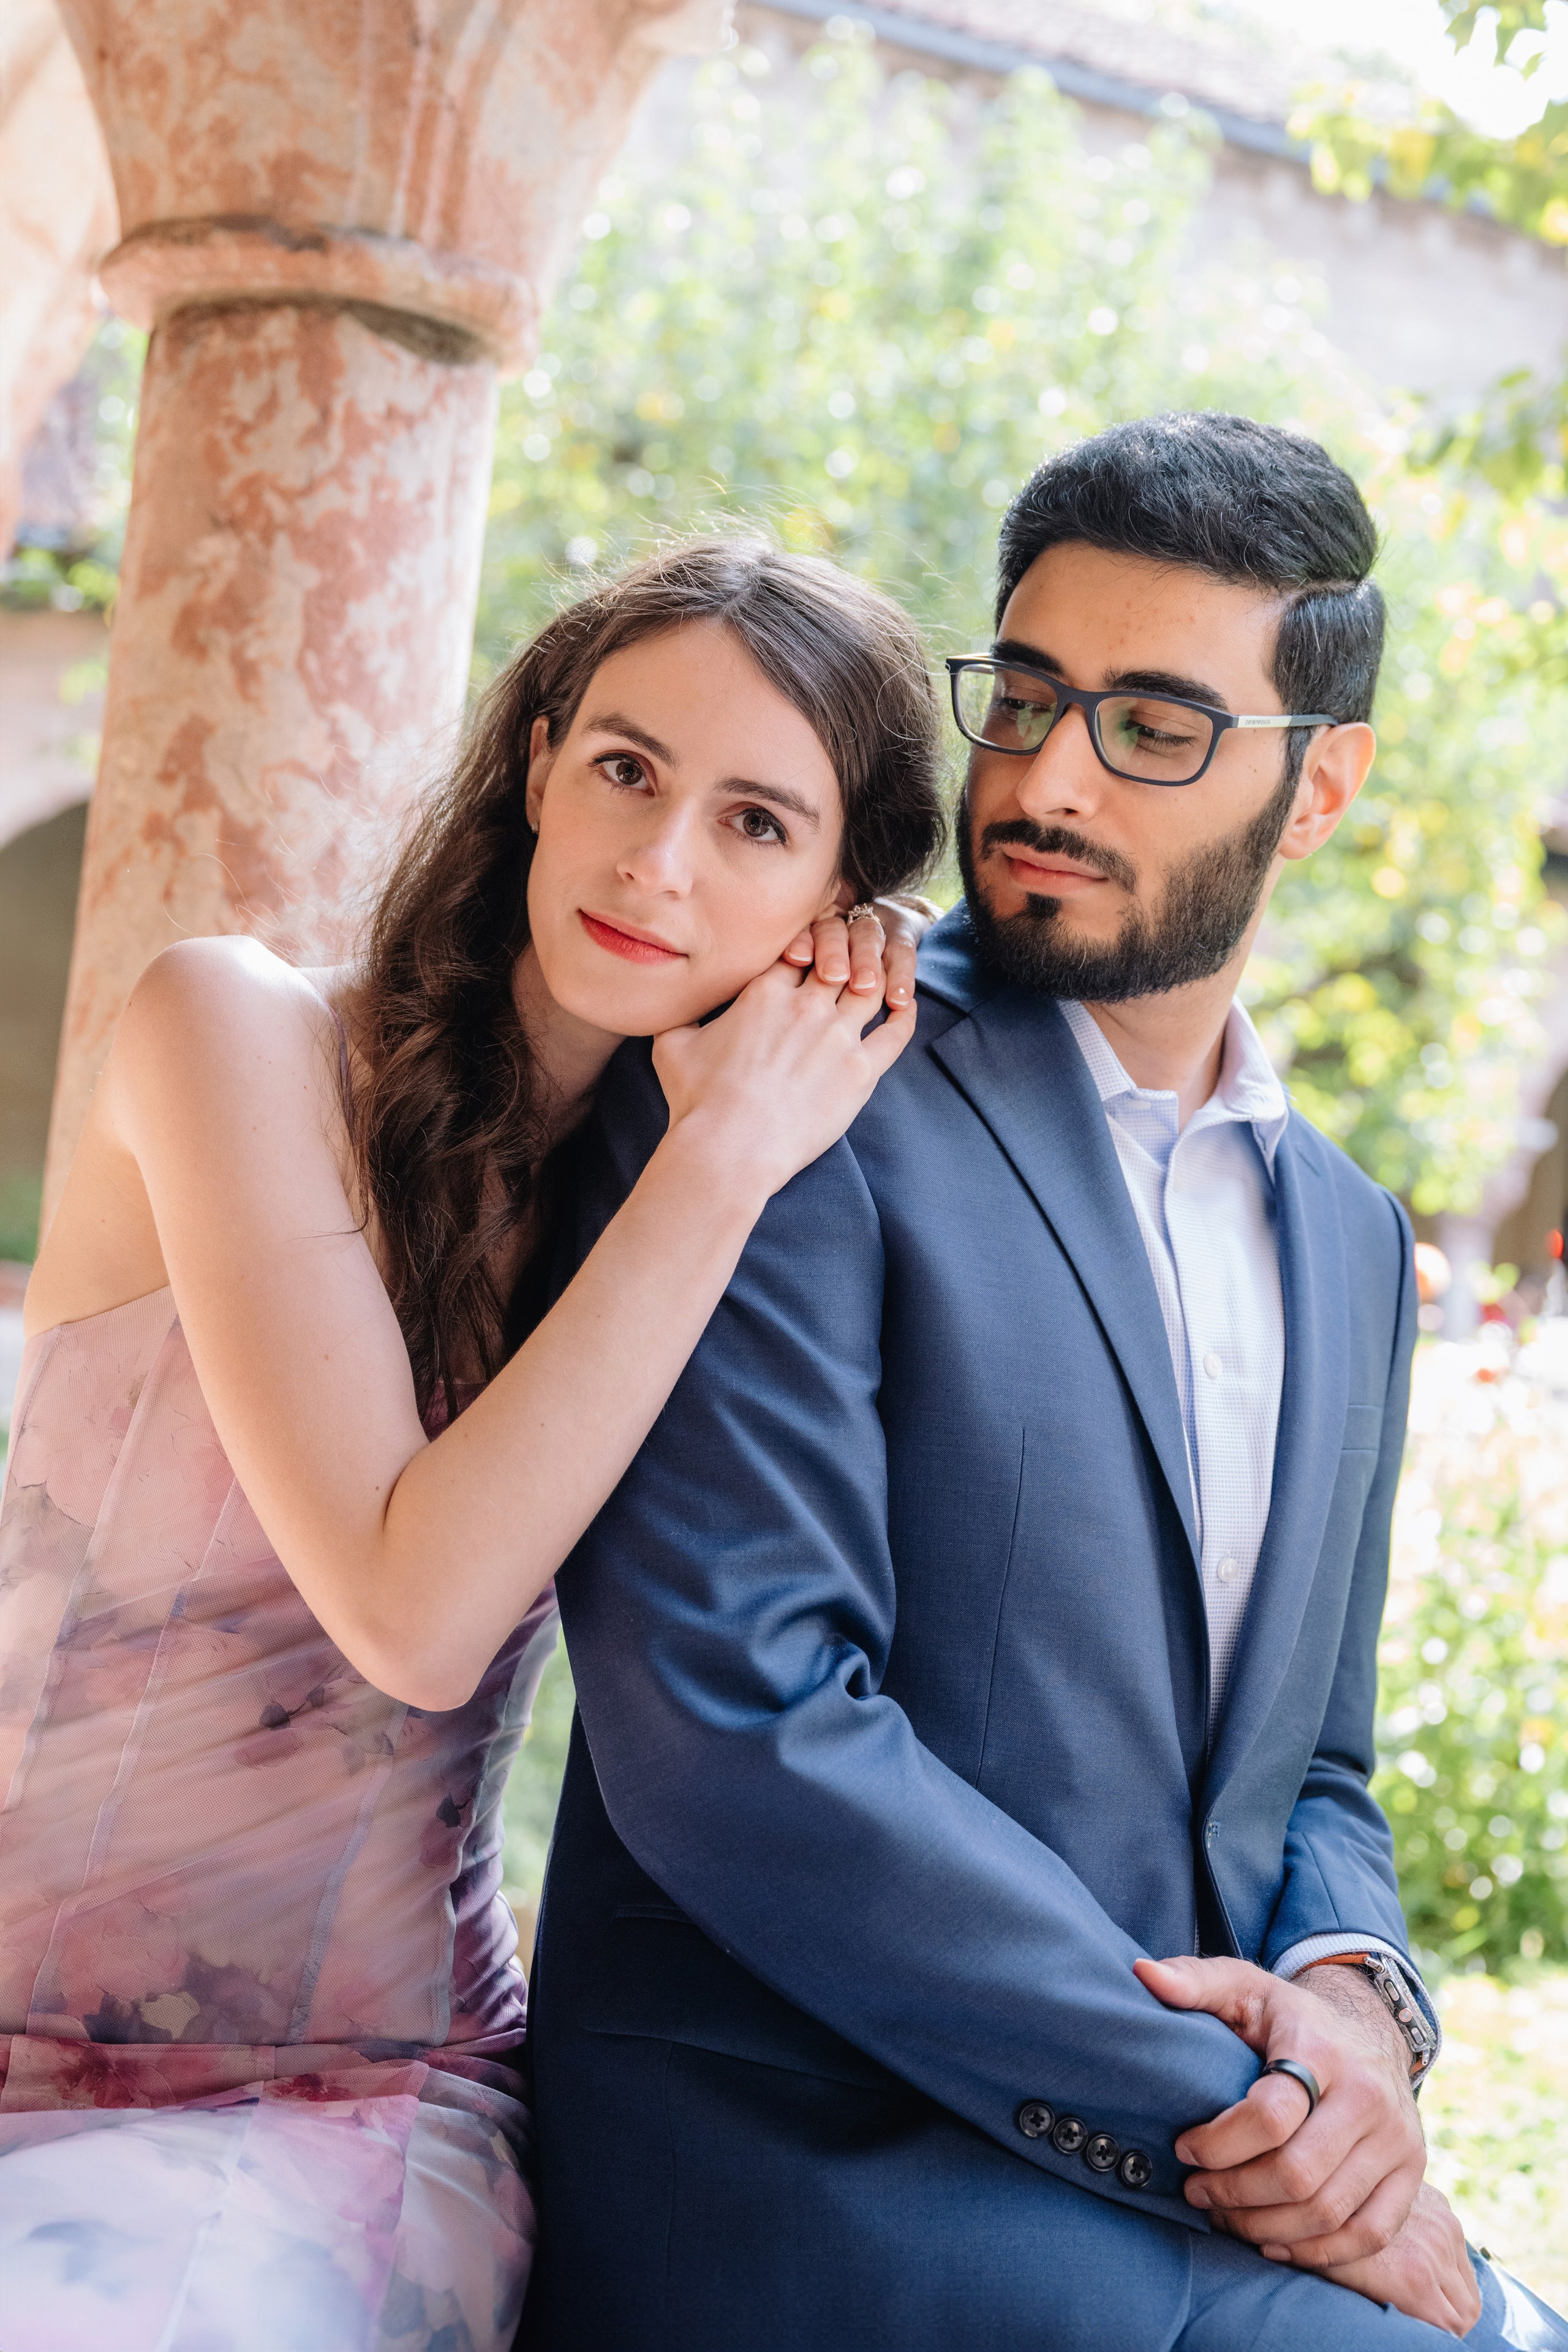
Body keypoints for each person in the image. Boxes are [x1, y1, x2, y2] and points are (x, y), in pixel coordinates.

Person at [523, 417, 1568, 2350]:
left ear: (1320, 786)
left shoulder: (1351, 1238)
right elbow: (743, 1738)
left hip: (1194, 2202)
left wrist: (1353, 2007)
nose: (1049, 777)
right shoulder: (795, 1074)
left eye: (1157, 724)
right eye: (1024, 695)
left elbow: (1312, 1765)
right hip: (817, 2183)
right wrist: (1258, 2129)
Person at [0, 538, 944, 2352]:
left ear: (836, 911)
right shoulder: (235, 1033)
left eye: (758, 824)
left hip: (334, 2106)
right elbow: (399, 1588)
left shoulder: (694, 1229)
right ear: (535, 767)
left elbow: (442, 1645)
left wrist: (723, 1162)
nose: (658, 863)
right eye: (626, 768)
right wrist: (718, 1165)